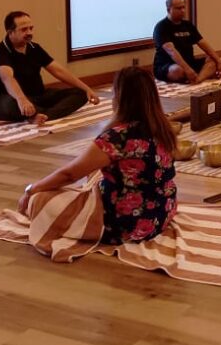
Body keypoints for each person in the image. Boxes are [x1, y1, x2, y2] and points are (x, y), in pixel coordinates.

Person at [17, 67, 177, 245]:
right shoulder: (163, 128)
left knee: (39, 200)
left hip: (128, 223)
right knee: (94, 173)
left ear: (121, 97)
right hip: (163, 211)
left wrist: (31, 189)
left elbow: (69, 174)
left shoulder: (117, 137)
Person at [0, 11, 100, 124]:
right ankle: (40, 113)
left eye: (31, 28)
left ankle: (42, 115)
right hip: (12, 99)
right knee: (9, 105)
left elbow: (58, 71)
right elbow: (7, 78)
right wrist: (22, 100)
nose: (29, 32)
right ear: (10, 32)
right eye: (24, 29)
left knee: (80, 93)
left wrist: (87, 89)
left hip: (39, 96)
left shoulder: (34, 48)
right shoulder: (0, 51)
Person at [153, 0, 221, 84]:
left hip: (189, 62)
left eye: (183, 7)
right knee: (178, 70)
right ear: (169, 10)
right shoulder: (161, 27)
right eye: (178, 8)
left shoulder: (188, 25)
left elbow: (202, 43)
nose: (182, 10)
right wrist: (187, 69)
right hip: (168, 65)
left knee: (213, 61)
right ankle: (195, 76)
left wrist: (219, 61)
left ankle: (197, 80)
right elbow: (171, 51)